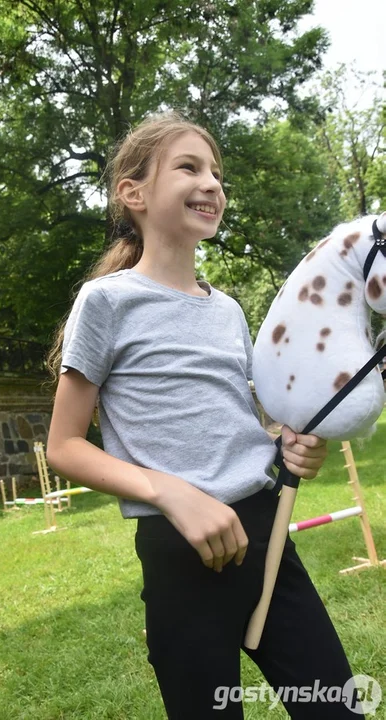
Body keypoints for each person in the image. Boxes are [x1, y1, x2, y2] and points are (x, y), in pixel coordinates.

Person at [46, 112, 364, 718]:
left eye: (216, 172)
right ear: (132, 193)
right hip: (179, 554)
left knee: (335, 707)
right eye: (190, 167)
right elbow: (64, 445)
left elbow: (248, 422)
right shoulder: (107, 301)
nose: (213, 183)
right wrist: (169, 492)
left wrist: (287, 445)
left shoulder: (231, 312)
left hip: (267, 535)